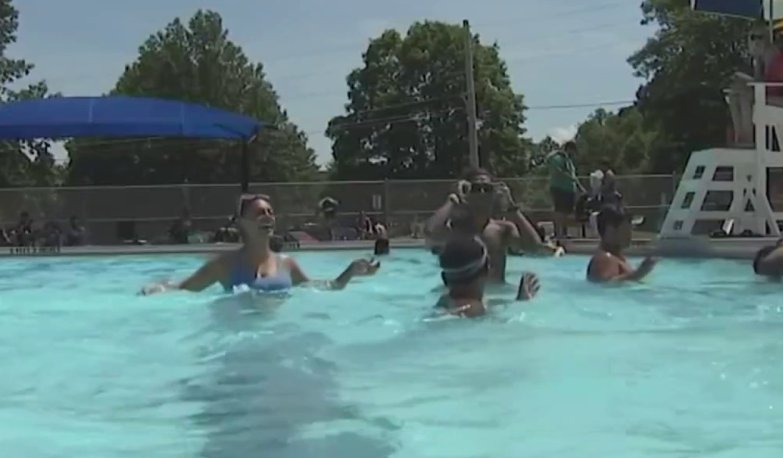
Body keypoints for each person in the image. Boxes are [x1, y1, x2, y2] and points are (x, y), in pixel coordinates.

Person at [140, 194, 379, 295]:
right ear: (243, 223)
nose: (267, 216)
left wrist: (350, 272)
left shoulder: (287, 265)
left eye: (270, 212)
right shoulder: (224, 266)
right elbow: (184, 289)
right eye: (259, 213)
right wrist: (158, 288)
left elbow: (326, 287)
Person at [425, 167, 561, 283]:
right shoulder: (454, 230)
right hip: (462, 299)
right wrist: (453, 199)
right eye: (477, 188)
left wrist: (512, 209)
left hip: (497, 298)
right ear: (466, 193)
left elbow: (534, 248)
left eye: (488, 188)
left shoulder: (503, 230)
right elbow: (430, 234)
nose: (483, 193)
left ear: (494, 194)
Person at [435, 236, 540, 317]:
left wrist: (517, 300)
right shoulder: (474, 310)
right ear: (487, 269)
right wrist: (522, 305)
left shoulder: (444, 301)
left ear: (444, 278)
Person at [587, 205, 658, 283]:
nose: (630, 235)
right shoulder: (605, 258)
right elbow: (605, 284)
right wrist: (638, 273)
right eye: (626, 230)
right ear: (610, 230)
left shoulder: (616, 257)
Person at [546, 142, 582, 238]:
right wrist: (569, 178)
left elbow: (573, 175)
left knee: (566, 212)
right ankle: (558, 233)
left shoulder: (569, 160)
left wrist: (580, 187)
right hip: (559, 188)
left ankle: (564, 233)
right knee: (559, 211)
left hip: (569, 189)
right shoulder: (557, 158)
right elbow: (558, 171)